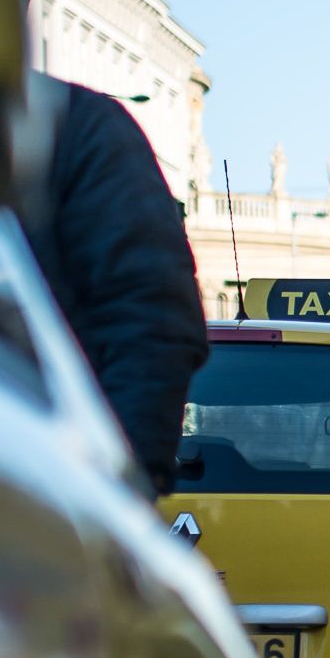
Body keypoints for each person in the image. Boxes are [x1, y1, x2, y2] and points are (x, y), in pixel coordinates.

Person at [18, 75, 208, 493]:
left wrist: (114, 488)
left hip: (32, 485)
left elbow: (153, 323)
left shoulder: (67, 126)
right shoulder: (76, 125)